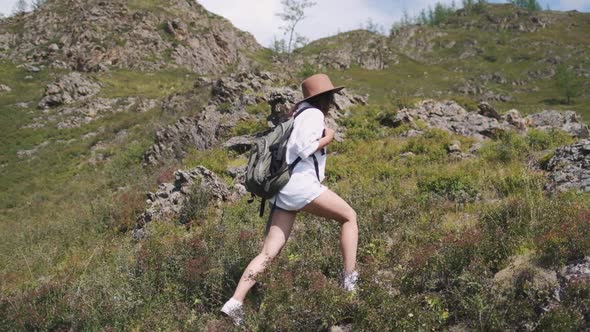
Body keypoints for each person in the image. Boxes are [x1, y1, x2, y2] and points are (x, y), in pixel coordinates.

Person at [221, 74, 359, 326]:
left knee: (268, 252)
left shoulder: (297, 116)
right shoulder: (314, 116)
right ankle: (350, 281)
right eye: (331, 97)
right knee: (349, 217)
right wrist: (329, 137)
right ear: (324, 98)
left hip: (282, 190)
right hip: (300, 187)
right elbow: (304, 149)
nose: (333, 102)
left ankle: (234, 303)